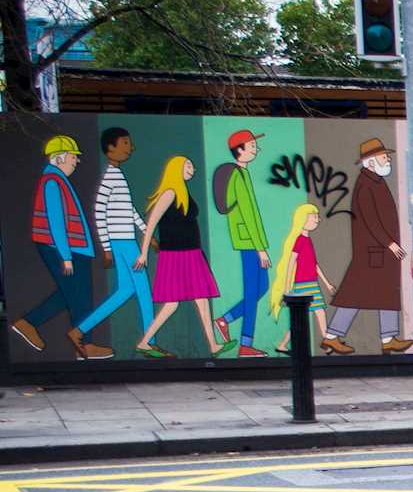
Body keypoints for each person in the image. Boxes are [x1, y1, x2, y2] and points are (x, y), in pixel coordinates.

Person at [9, 135, 113, 359]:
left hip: (73, 248)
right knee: (79, 297)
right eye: (73, 157)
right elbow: (56, 221)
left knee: (73, 295)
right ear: (59, 158)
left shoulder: (56, 180)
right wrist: (65, 256)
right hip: (65, 249)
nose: (76, 161)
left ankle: (29, 323)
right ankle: (84, 345)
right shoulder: (52, 182)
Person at [70, 128, 162, 357]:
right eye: (125, 143)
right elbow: (99, 212)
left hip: (125, 240)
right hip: (122, 243)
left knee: (125, 291)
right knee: (143, 291)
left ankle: (79, 330)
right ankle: (149, 342)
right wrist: (108, 249)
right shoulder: (110, 177)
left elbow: (128, 210)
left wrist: (146, 235)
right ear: (110, 148)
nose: (130, 147)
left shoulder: (117, 175)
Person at [135, 156, 234, 358]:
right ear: (176, 168)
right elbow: (152, 222)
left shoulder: (182, 192)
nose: (193, 168)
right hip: (176, 256)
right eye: (188, 165)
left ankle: (213, 345)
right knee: (173, 303)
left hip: (191, 253)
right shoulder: (170, 193)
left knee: (201, 298)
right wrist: (144, 252)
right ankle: (145, 342)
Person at [323, 138, 413, 356]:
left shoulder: (376, 181)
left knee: (385, 294)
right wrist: (389, 243)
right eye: (384, 156)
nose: (387, 159)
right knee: (356, 295)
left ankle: (388, 338)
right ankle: (332, 337)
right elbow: (371, 219)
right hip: (373, 252)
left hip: (380, 252)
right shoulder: (366, 185)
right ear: (371, 162)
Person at [214, 129, 272, 357]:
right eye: (252, 145)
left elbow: (253, 214)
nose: (256, 148)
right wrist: (260, 249)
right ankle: (245, 344)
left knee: (261, 287)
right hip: (248, 242)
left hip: (251, 241)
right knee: (252, 291)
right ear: (240, 150)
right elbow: (248, 215)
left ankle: (225, 319)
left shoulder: (243, 174)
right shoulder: (237, 176)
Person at [268, 204, 335, 354]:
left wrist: (327, 283)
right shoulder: (300, 240)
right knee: (316, 313)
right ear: (302, 219)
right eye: (314, 217)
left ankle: (283, 344)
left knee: (312, 314)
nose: (317, 220)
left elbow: (314, 264)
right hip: (304, 284)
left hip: (311, 282)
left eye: (317, 217)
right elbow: (291, 263)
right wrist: (287, 287)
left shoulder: (307, 240)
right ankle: (327, 342)